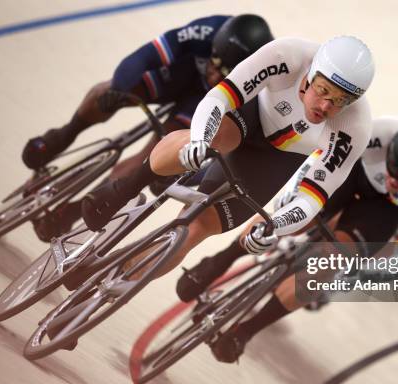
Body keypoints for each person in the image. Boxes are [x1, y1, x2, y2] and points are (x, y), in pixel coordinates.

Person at [78, 35, 375, 300]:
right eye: (323, 90)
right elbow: (219, 97)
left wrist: (273, 226)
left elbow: (311, 200)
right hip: (249, 117)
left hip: (276, 159)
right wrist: (199, 139)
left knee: (193, 231)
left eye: (339, 101)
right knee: (213, 138)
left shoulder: (354, 128)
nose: (325, 106)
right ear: (310, 74)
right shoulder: (287, 56)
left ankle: (100, 294)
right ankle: (126, 187)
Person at [181, 115, 398, 363]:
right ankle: (222, 259)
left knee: (329, 263)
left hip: (385, 211)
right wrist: (293, 199)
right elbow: (319, 160)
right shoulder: (375, 132)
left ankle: (246, 331)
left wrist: (372, 272)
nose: (397, 180)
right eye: (395, 167)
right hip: (353, 172)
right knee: (294, 216)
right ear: (392, 147)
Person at [21, 14, 274, 241]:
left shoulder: (260, 80)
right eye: (215, 64)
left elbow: (219, 149)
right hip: (180, 76)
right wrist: (120, 88)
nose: (214, 76)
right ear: (214, 46)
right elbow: (144, 57)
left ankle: (73, 211)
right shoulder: (208, 30)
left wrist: (177, 171)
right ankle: (64, 135)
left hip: (206, 104)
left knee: (153, 157)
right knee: (107, 91)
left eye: (225, 73)